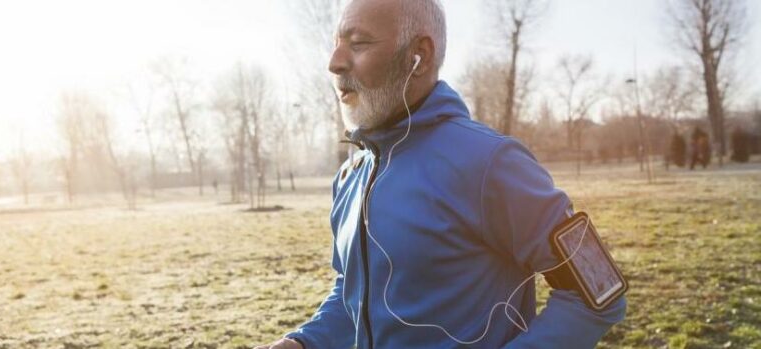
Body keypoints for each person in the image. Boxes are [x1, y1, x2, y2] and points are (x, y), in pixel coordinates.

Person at [255, 1, 626, 348]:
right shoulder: (350, 174)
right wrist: (306, 342)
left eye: (358, 43)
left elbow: (598, 294)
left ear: (420, 56)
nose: (334, 62)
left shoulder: (492, 162)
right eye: (336, 44)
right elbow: (351, 293)